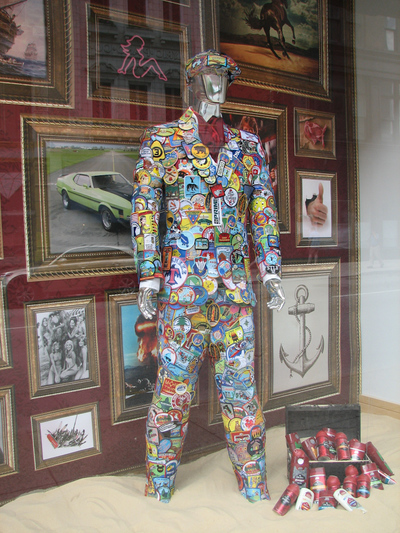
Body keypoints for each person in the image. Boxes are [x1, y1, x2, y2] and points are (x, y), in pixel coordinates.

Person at [131, 50, 285, 503]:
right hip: (182, 293)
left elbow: (263, 211)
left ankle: (253, 483)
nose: (218, 84)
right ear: (193, 81)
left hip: (235, 294)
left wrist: (271, 271)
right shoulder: (162, 141)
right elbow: (145, 209)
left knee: (242, 393)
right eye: (210, 75)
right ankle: (159, 486)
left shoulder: (248, 147)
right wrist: (148, 276)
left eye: (224, 76)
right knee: (172, 393)